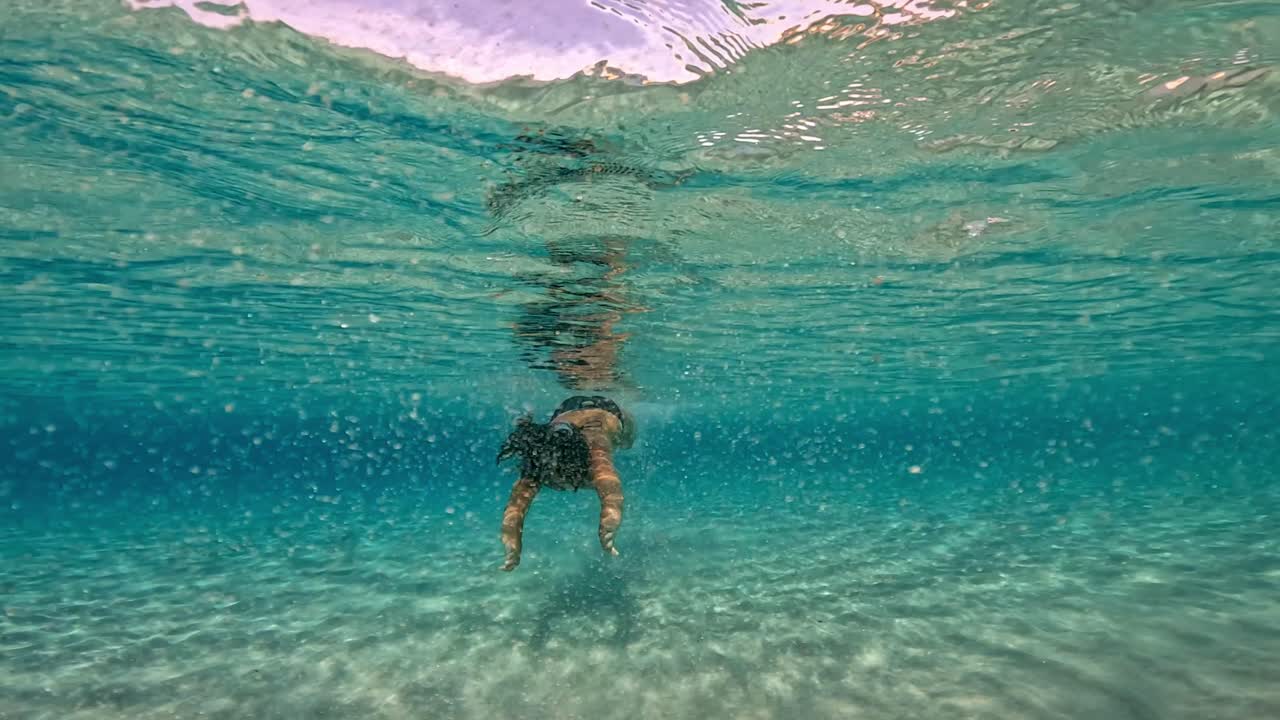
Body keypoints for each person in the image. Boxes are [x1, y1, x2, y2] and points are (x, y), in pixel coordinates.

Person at [496, 395, 635, 571]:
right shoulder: (543, 457)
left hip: (603, 411)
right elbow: (515, 509)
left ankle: (624, 400)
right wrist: (512, 543)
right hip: (566, 414)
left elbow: (610, 488)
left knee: (628, 441)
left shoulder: (595, 448)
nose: (555, 478)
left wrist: (609, 522)